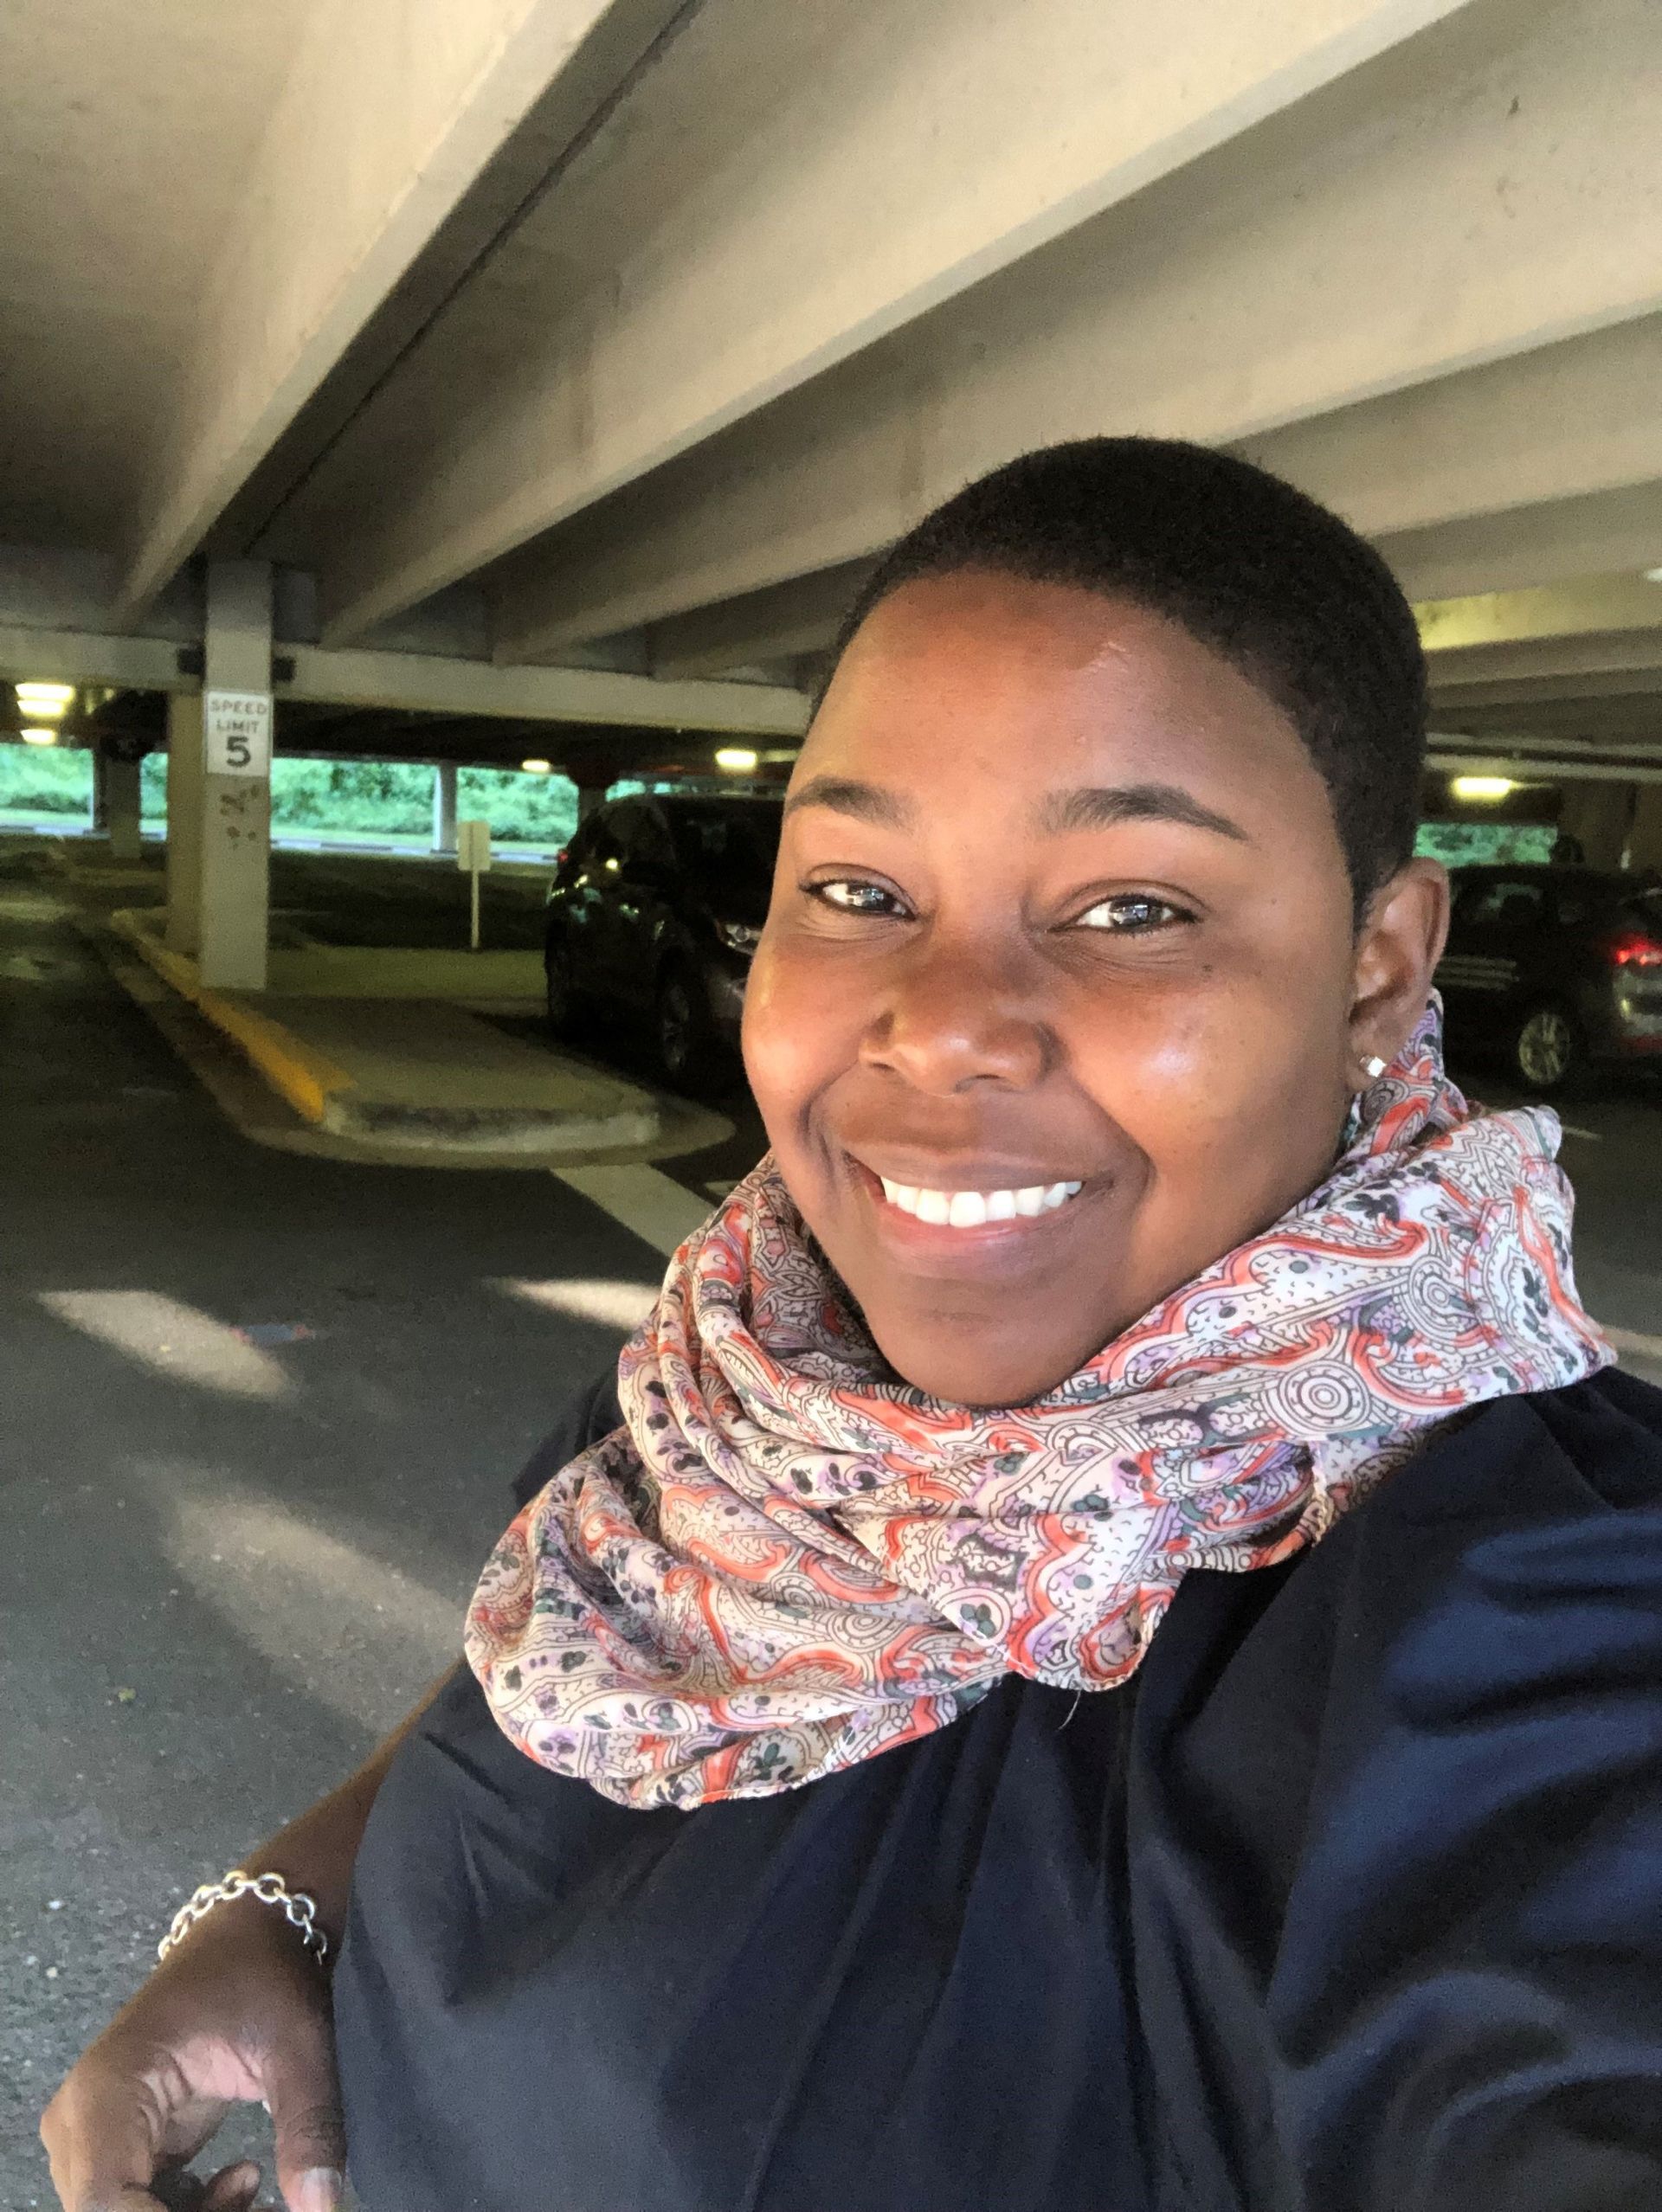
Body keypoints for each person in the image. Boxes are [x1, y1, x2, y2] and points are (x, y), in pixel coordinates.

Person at [45, 440, 1662, 2212]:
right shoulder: (740, 1370)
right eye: (861, 892)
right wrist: (286, 1907)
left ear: (1378, 963)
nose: (945, 1024)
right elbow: (560, 1683)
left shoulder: (1534, 1595)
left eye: (1133, 907)